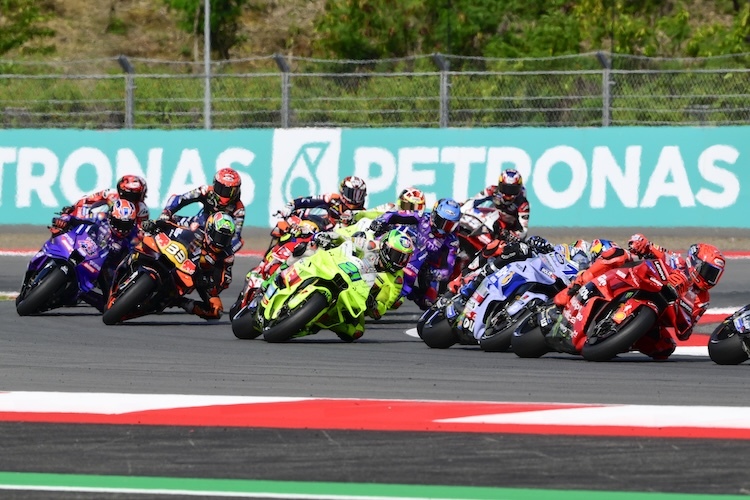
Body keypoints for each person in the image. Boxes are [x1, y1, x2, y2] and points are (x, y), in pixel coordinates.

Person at [309, 227, 414, 340]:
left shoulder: (396, 281)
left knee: (356, 331)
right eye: (397, 256)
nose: (399, 262)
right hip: (341, 270)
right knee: (311, 252)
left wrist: (373, 305)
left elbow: (381, 308)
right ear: (385, 248)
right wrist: (329, 236)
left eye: (405, 258)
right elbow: (346, 240)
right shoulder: (371, 245)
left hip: (355, 300)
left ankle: (323, 321)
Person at [369, 198, 461, 309]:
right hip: (404, 251)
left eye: (450, 225)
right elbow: (395, 214)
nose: (443, 228)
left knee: (428, 302)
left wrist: (433, 273)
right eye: (441, 222)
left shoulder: (452, 241)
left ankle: (411, 292)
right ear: (434, 215)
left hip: (425, 267)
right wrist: (381, 221)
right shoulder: (422, 217)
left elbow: (447, 270)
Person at [143, 212, 237, 321]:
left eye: (225, 238)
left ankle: (181, 302)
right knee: (142, 238)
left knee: (216, 311)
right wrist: (155, 224)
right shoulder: (196, 227)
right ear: (210, 229)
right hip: (177, 255)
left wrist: (210, 282)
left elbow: (224, 279)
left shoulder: (227, 255)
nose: (220, 241)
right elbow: (175, 225)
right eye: (219, 236)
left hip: (199, 277)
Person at [160, 168, 245, 253]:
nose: (224, 194)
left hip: (217, 241)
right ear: (215, 184)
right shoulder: (206, 191)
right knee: (170, 220)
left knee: (237, 244)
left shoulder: (239, 209)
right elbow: (180, 198)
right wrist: (167, 211)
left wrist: (223, 252)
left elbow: (236, 238)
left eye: (230, 191)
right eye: (220, 188)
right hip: (199, 223)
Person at [52, 175, 149, 234]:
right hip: (101, 223)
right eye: (135, 194)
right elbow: (87, 199)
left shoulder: (142, 209)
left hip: (120, 235)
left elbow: (140, 231)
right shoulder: (111, 194)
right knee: (98, 208)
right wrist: (72, 208)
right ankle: (69, 227)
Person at [465, 168, 530, 240]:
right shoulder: (492, 190)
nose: (508, 193)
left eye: (512, 189)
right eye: (505, 188)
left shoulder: (523, 204)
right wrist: (463, 208)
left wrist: (512, 235)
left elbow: (524, 230)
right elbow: (472, 201)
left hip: (508, 229)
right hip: (490, 218)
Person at [275, 175, 367, 226]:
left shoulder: (363, 214)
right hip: (317, 230)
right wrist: (291, 206)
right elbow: (307, 200)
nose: (355, 199)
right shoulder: (332, 198)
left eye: (359, 195)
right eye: (352, 193)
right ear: (343, 191)